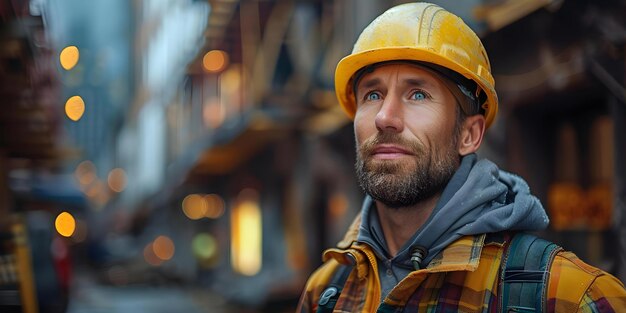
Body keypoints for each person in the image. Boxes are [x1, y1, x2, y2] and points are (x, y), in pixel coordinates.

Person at [297, 2, 626, 312]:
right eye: (372, 94)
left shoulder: (571, 296)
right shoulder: (326, 291)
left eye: (418, 94)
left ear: (469, 135)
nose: (385, 117)